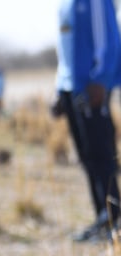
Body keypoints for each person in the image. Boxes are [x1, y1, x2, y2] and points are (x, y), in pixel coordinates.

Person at [52, 0, 121, 242]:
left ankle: (116, 219)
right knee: (87, 155)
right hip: (71, 88)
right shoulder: (65, 4)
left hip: (92, 86)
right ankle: (103, 216)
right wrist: (59, 89)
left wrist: (100, 78)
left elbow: (108, 39)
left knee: (102, 153)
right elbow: (65, 48)